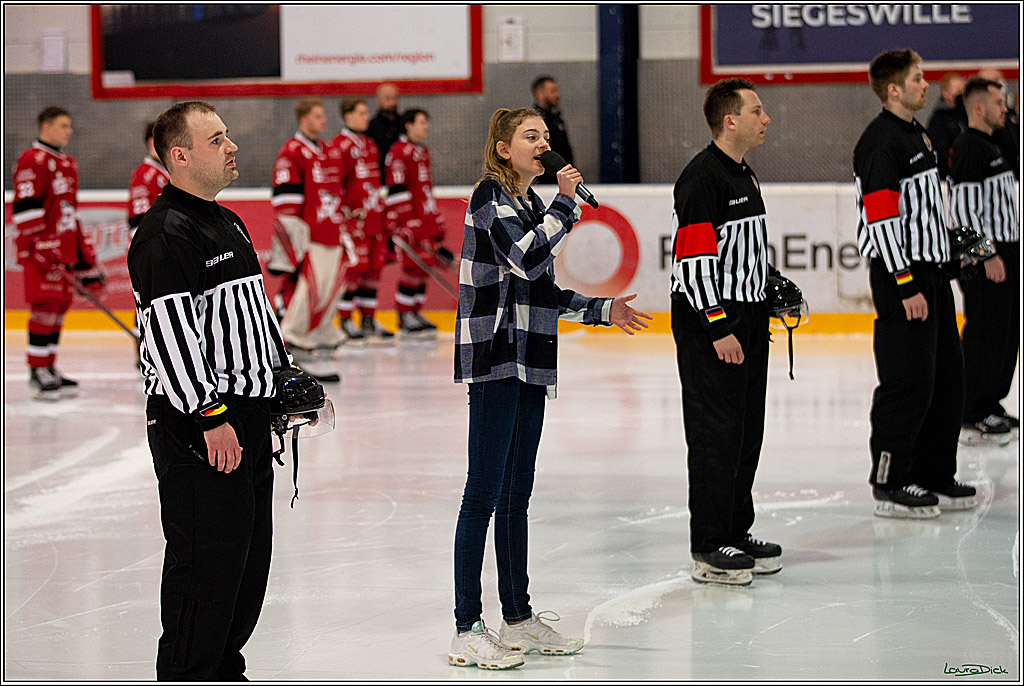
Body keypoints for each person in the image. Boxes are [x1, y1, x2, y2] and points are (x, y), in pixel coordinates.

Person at [450, 107, 650, 669]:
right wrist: (566, 203)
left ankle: (518, 616)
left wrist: (600, 308)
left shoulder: (534, 205)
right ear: (503, 147)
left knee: (517, 495)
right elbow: (522, 258)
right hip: (495, 359)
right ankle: (467, 626)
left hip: (531, 360)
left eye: (545, 135)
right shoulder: (489, 198)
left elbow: (544, 288)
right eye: (529, 137)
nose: (542, 144)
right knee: (483, 494)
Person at [127, 101, 292, 680]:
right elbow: (170, 339)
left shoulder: (227, 220)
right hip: (201, 428)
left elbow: (250, 315)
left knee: (247, 564)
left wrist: (280, 377)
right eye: (217, 139)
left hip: (247, 419)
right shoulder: (164, 233)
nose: (232, 147)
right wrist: (210, 414)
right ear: (181, 155)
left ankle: (223, 668)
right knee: (206, 564)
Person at [853, 49, 976, 519]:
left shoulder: (917, 134)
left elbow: (925, 209)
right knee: (907, 380)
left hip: (931, 272)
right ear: (893, 89)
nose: (927, 85)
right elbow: (881, 219)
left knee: (947, 377)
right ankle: (890, 479)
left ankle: (933, 472)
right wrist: (906, 284)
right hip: (900, 274)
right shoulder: (881, 142)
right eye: (918, 78)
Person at [670, 79, 781, 587]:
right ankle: (711, 543)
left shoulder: (744, 174)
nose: (766, 119)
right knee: (716, 433)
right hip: (712, 322)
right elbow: (693, 263)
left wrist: (771, 284)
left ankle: (736, 528)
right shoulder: (701, 179)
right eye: (757, 111)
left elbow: (744, 250)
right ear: (729, 120)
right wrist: (718, 326)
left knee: (745, 430)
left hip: (749, 317)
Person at [13, 106, 101, 401]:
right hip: (41, 253)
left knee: (59, 308)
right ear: (46, 126)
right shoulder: (32, 160)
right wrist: (39, 244)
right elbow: (26, 207)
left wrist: (81, 254)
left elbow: (70, 212)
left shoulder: (67, 163)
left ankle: (49, 366)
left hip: (61, 251)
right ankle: (37, 370)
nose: (69, 130)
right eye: (64, 125)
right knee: (44, 308)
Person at [949, 77, 1019, 444]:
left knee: (1006, 333)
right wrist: (985, 254)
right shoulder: (969, 147)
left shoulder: (996, 143)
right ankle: (972, 409)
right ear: (978, 107)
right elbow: (961, 211)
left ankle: (990, 401)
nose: (1004, 107)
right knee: (984, 333)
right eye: (997, 102)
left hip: (1008, 252)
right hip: (988, 256)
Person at [270, 98, 348, 377]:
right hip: (309, 235)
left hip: (330, 231)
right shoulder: (291, 152)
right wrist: (293, 240)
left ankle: (314, 336)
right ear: (303, 119)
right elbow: (286, 199)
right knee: (305, 290)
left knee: (329, 288)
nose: (323, 120)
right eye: (317, 116)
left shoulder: (326, 151)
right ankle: (292, 342)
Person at [332, 97, 394, 345]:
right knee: (354, 271)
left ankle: (368, 319)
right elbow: (336, 185)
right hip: (353, 220)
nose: (366, 117)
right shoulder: (339, 146)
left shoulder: (370, 144)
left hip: (373, 217)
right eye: (361, 112)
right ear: (348, 116)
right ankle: (345, 320)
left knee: (373, 269)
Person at [384, 108, 450, 339]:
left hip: (425, 218)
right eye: (421, 122)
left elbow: (425, 189)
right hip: (411, 220)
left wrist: (435, 218)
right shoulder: (398, 151)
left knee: (426, 265)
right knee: (412, 268)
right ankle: (404, 315)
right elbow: (397, 189)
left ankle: (416, 311)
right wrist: (407, 221)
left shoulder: (422, 152)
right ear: (408, 126)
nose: (426, 127)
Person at [127, 121, 170, 236]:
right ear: (152, 142)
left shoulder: (162, 171)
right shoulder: (145, 173)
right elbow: (138, 218)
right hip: (150, 237)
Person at [531, 76, 573, 185]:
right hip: (545, 181)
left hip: (560, 177)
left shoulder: (556, 118)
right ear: (539, 94)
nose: (557, 95)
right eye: (552, 91)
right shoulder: (534, 120)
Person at [926, 72, 967, 180]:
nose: (962, 95)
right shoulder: (938, 120)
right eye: (958, 90)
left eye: (964, 90)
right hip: (947, 178)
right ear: (946, 93)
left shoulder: (967, 116)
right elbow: (941, 152)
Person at [367, 82, 401, 177]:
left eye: (395, 98)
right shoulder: (370, 127)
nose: (392, 103)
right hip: (381, 178)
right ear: (377, 100)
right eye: (388, 98)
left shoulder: (404, 124)